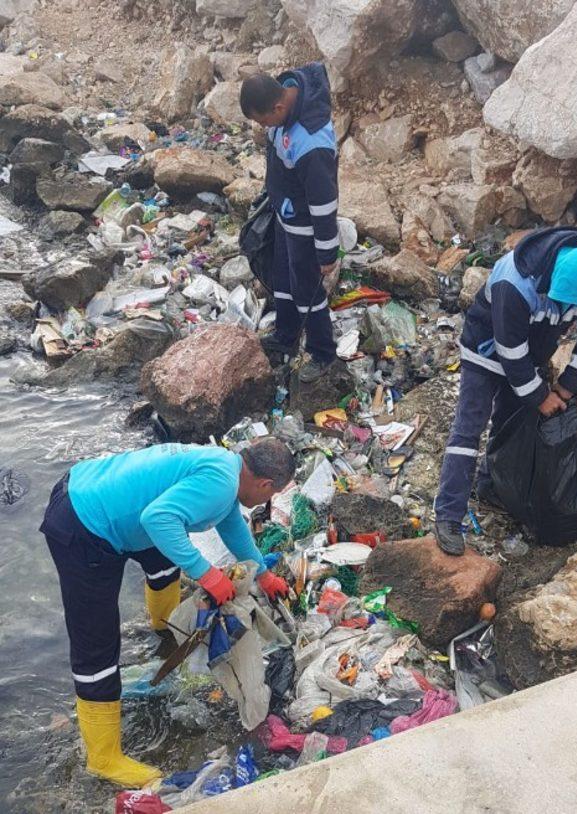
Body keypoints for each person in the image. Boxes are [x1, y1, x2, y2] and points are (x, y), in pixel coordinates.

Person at [41, 438, 294, 787]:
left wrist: (262, 574)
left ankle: (162, 629)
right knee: (96, 645)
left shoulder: (226, 466)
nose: (266, 501)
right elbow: (157, 518)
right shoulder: (221, 484)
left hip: (87, 484)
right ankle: (103, 759)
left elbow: (229, 522)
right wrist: (206, 574)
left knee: (163, 564)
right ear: (265, 484)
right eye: (270, 496)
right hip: (84, 524)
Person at [434, 226, 577, 556]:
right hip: (486, 350)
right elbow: (510, 351)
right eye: (566, 300)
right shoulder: (515, 281)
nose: (572, 308)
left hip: (530, 357)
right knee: (468, 429)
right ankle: (448, 515)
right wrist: (539, 396)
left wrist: (565, 390)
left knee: (509, 423)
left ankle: (492, 486)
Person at [240, 63, 339, 383]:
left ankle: (323, 353)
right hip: (285, 214)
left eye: (263, 120)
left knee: (307, 287)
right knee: (283, 278)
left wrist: (327, 252)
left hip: (306, 227)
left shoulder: (311, 142)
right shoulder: (284, 101)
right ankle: (286, 336)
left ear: (278, 107)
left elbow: (324, 202)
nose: (263, 126)